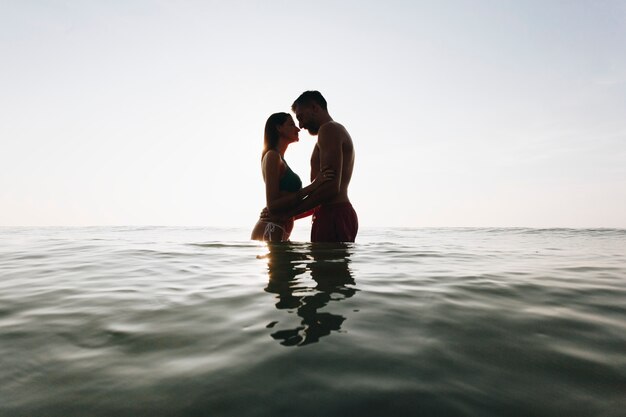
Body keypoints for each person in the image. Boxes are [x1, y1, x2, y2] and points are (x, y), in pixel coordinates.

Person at [284, 91, 358, 242]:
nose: (301, 125)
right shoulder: (332, 132)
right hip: (332, 213)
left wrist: (287, 213)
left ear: (314, 107)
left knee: (326, 265)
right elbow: (322, 195)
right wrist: (290, 214)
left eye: (301, 117)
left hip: (334, 215)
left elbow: (330, 188)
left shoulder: (329, 130)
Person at [251, 112, 333, 242]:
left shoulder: (280, 159)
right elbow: (272, 206)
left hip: (278, 232)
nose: (298, 128)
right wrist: (313, 186)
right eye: (291, 124)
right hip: (269, 230)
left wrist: (318, 202)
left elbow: (288, 211)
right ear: (279, 128)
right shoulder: (272, 156)